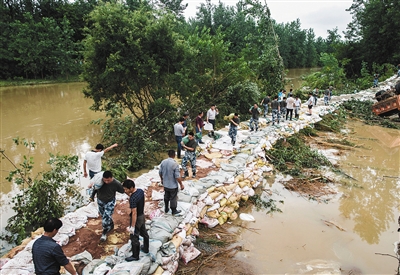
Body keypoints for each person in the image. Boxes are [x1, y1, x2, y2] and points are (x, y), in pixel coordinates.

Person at [122, 179, 150, 262]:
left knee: (134, 236)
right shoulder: (140, 191)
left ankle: (135, 255)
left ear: (131, 188)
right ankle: (146, 248)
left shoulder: (133, 198)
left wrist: (132, 227)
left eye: (126, 189)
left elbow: (134, 213)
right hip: (142, 215)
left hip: (137, 218)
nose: (125, 191)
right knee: (144, 232)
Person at [96, 171, 124, 242]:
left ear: (112, 178)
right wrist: (92, 196)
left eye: (108, 180)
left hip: (110, 201)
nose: (106, 182)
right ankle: (111, 224)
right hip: (100, 200)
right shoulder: (100, 182)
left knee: (105, 218)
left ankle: (104, 233)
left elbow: (123, 190)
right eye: (105, 180)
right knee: (103, 215)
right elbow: (95, 189)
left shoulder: (116, 183)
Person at [159, 150, 185, 215]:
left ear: (168, 154)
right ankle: (173, 210)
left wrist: (162, 179)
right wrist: (181, 184)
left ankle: (166, 208)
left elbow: (160, 172)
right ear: (174, 155)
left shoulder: (163, 162)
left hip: (165, 184)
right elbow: (177, 176)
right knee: (173, 197)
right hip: (172, 185)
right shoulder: (175, 164)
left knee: (166, 196)